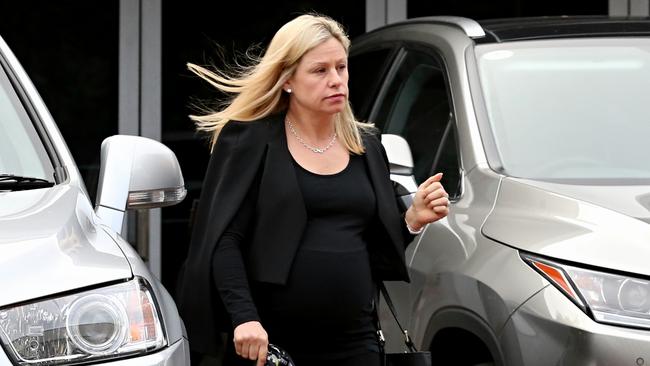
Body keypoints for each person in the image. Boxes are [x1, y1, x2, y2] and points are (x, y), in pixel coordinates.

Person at [176, 14, 450, 366]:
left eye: (341, 67)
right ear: (287, 79)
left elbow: (375, 252)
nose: (336, 80)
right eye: (320, 71)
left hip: (357, 340)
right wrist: (244, 317)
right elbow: (224, 240)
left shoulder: (366, 146)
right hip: (272, 345)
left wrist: (412, 219)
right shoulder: (251, 140)